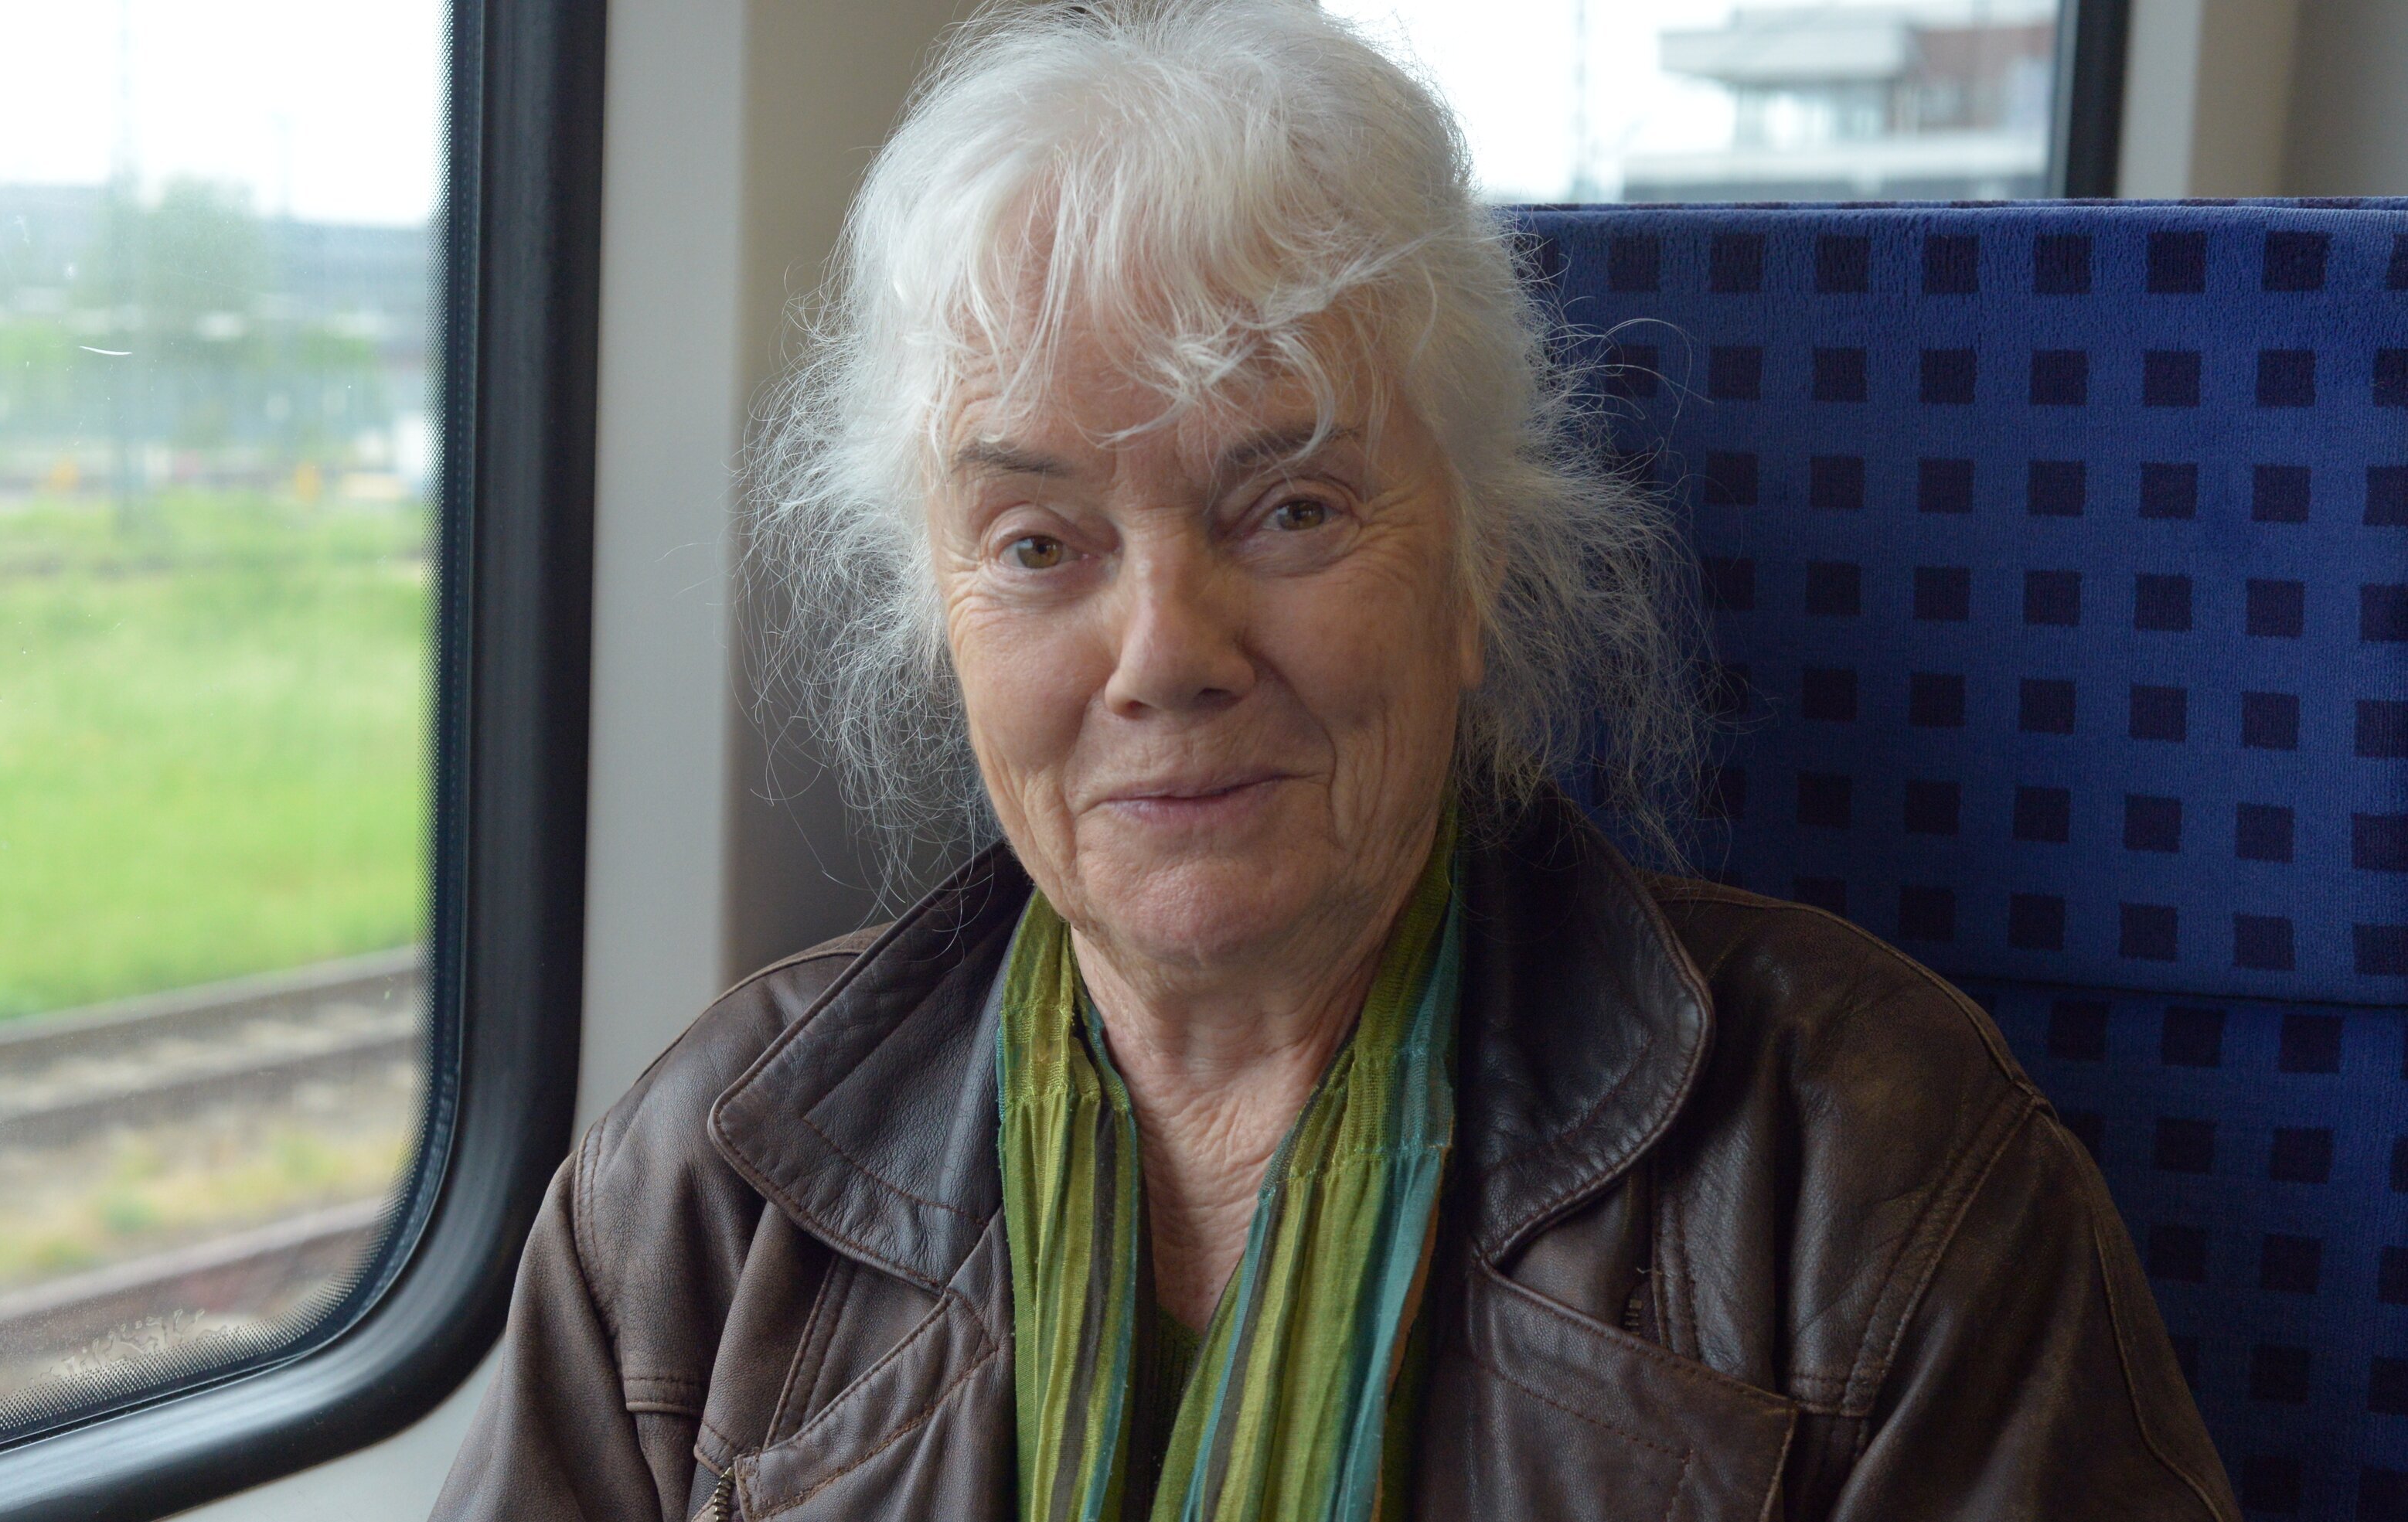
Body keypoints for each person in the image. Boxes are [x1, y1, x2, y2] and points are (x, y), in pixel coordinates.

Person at [432, 2, 2233, 1517]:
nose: (1166, 656)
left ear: (1475, 570)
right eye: (1038, 544)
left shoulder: (1867, 1166)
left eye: (1289, 507)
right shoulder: (704, 1187)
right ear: (942, 622)